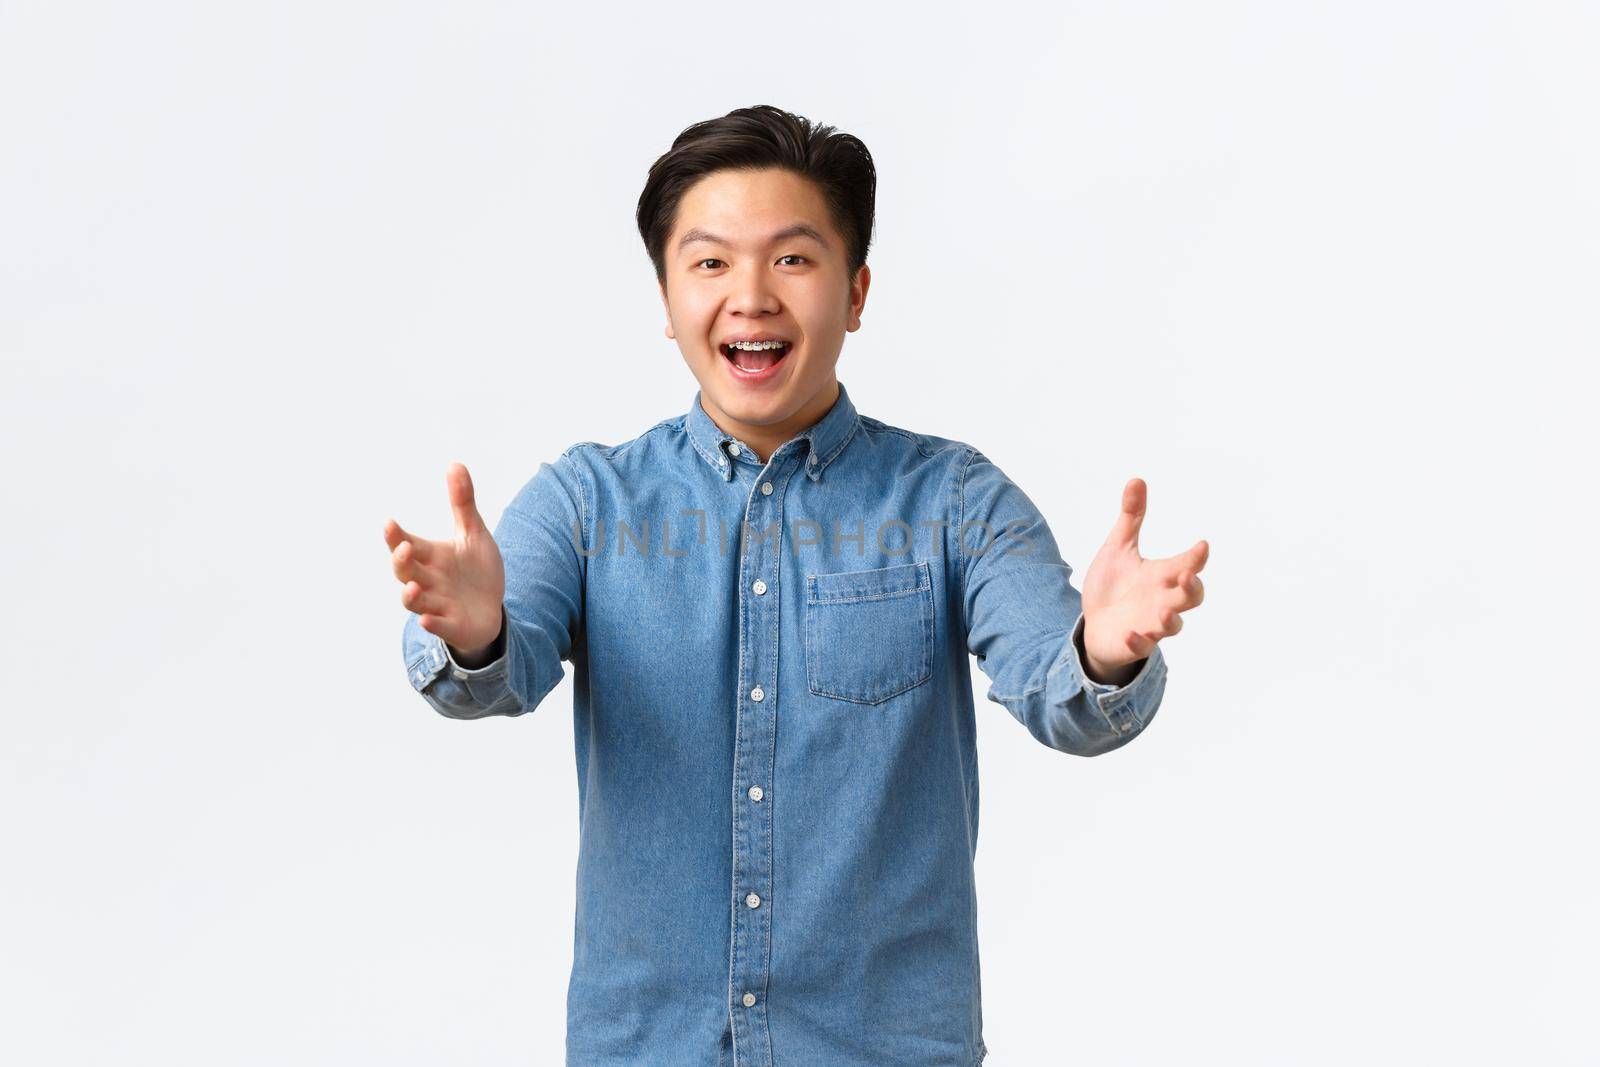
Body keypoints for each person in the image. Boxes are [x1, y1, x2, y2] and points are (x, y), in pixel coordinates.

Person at [384, 104, 1208, 1067]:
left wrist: (1101, 653)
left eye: (792, 259)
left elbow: (1059, 690)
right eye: (710, 262)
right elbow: (490, 670)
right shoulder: (586, 500)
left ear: (855, 293)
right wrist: (476, 632)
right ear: (664, 297)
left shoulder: (954, 500)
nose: (751, 297)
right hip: (647, 1046)